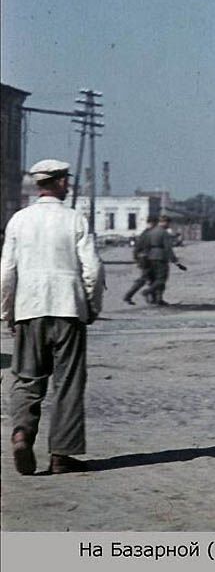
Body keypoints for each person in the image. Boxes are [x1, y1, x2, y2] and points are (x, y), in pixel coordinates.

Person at [0, 159, 104, 475]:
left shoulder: (19, 220)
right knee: (68, 381)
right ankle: (62, 454)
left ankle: (21, 433)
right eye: (66, 180)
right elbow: (94, 270)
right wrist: (91, 306)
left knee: (26, 378)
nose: (68, 184)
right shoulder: (75, 220)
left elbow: (6, 272)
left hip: (29, 309)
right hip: (68, 310)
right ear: (59, 182)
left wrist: (7, 312)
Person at [141, 215, 186, 305]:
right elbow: (168, 248)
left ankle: (157, 299)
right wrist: (175, 261)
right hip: (161, 257)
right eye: (168, 223)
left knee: (154, 279)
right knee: (161, 279)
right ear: (165, 222)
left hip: (150, 257)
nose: (169, 225)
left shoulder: (151, 231)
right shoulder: (164, 233)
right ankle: (148, 292)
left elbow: (145, 245)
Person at [123, 215, 157, 304]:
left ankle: (154, 299)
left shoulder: (146, 233)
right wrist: (137, 259)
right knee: (144, 280)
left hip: (148, 259)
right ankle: (128, 296)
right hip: (146, 260)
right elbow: (138, 248)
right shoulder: (147, 234)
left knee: (152, 279)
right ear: (152, 223)